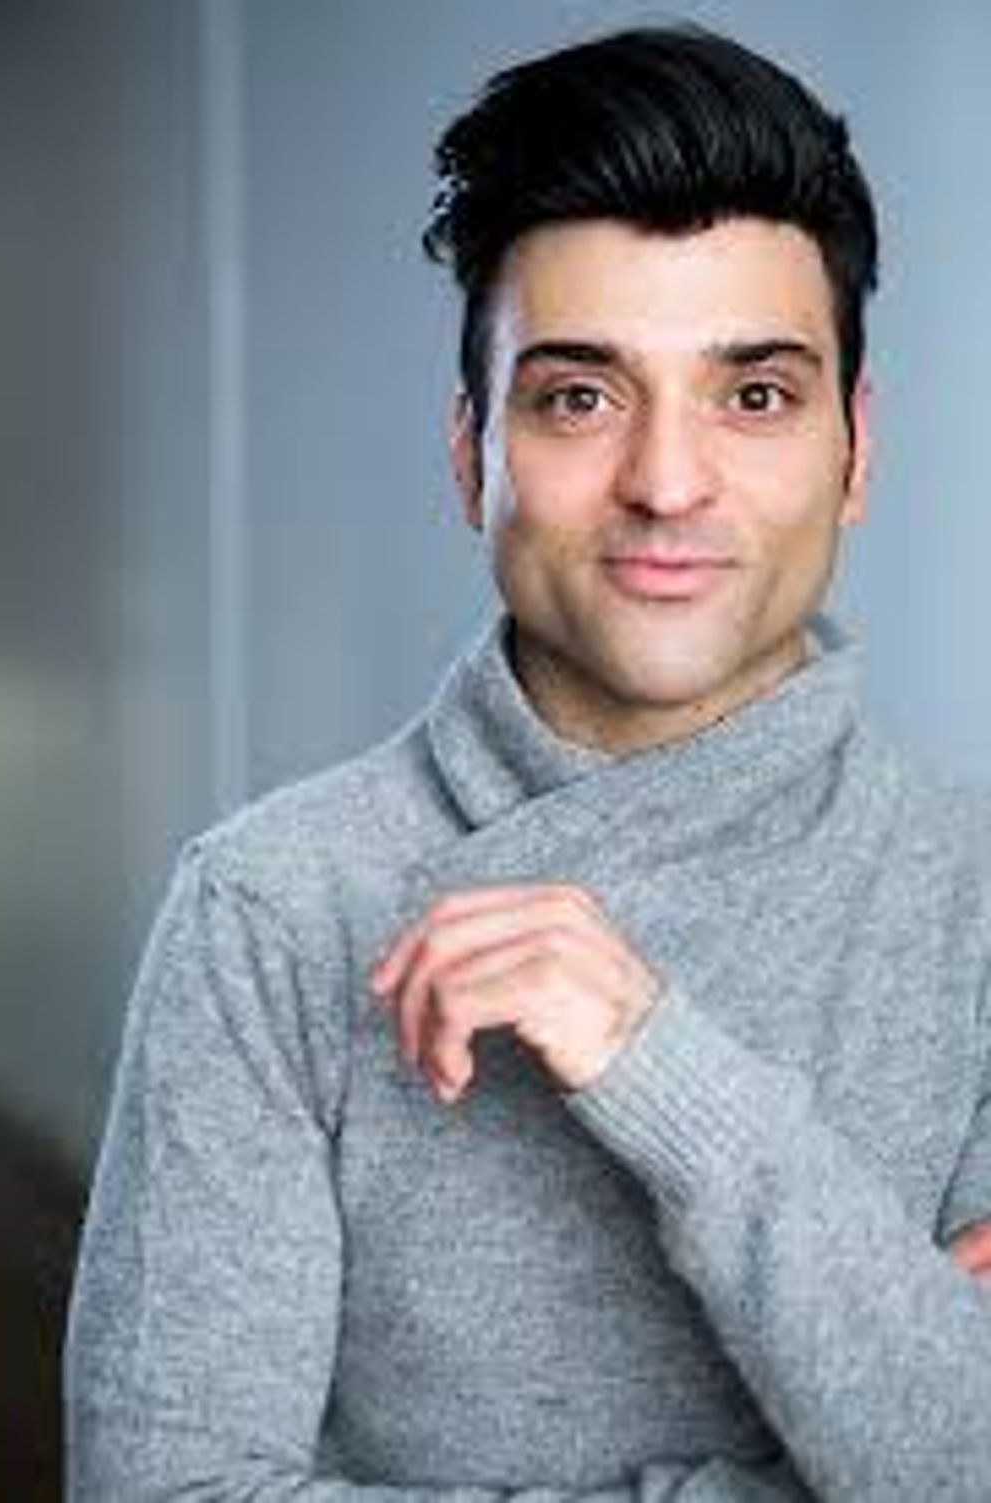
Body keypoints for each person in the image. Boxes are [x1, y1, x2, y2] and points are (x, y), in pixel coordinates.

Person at [65, 24, 991, 1502]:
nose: (667, 483)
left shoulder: (979, 909)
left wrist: (653, 1060)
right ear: (470, 453)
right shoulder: (269, 912)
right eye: (579, 396)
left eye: (754, 394)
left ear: (855, 451)